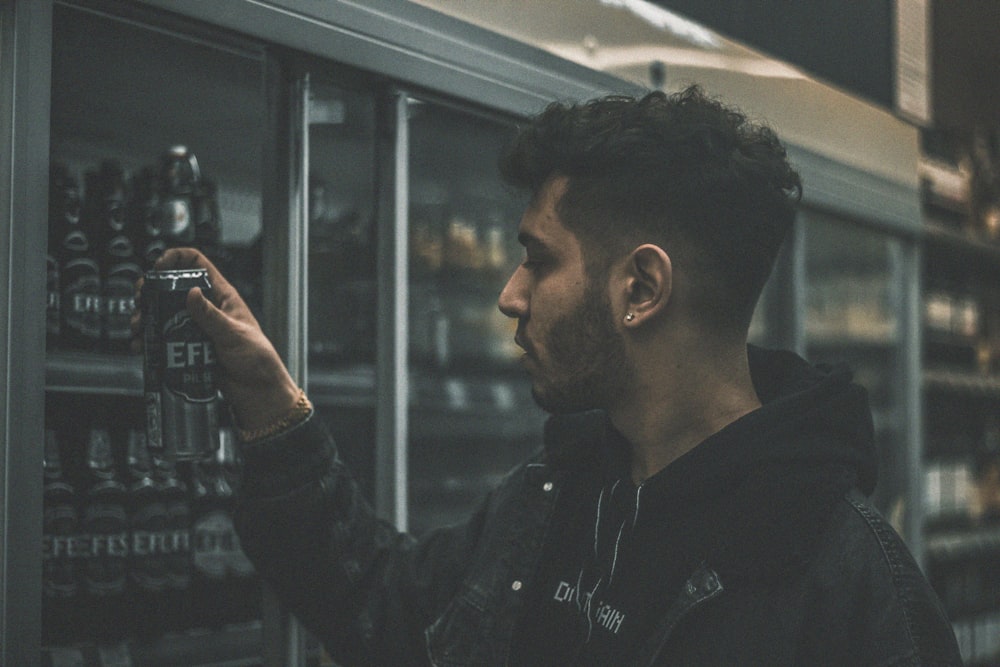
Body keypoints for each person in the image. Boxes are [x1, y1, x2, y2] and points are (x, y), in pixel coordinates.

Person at [151, 86, 962, 665]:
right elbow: (384, 602)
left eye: (538, 259)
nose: (510, 294)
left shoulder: (856, 592)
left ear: (640, 289)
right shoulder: (553, 496)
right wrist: (271, 405)